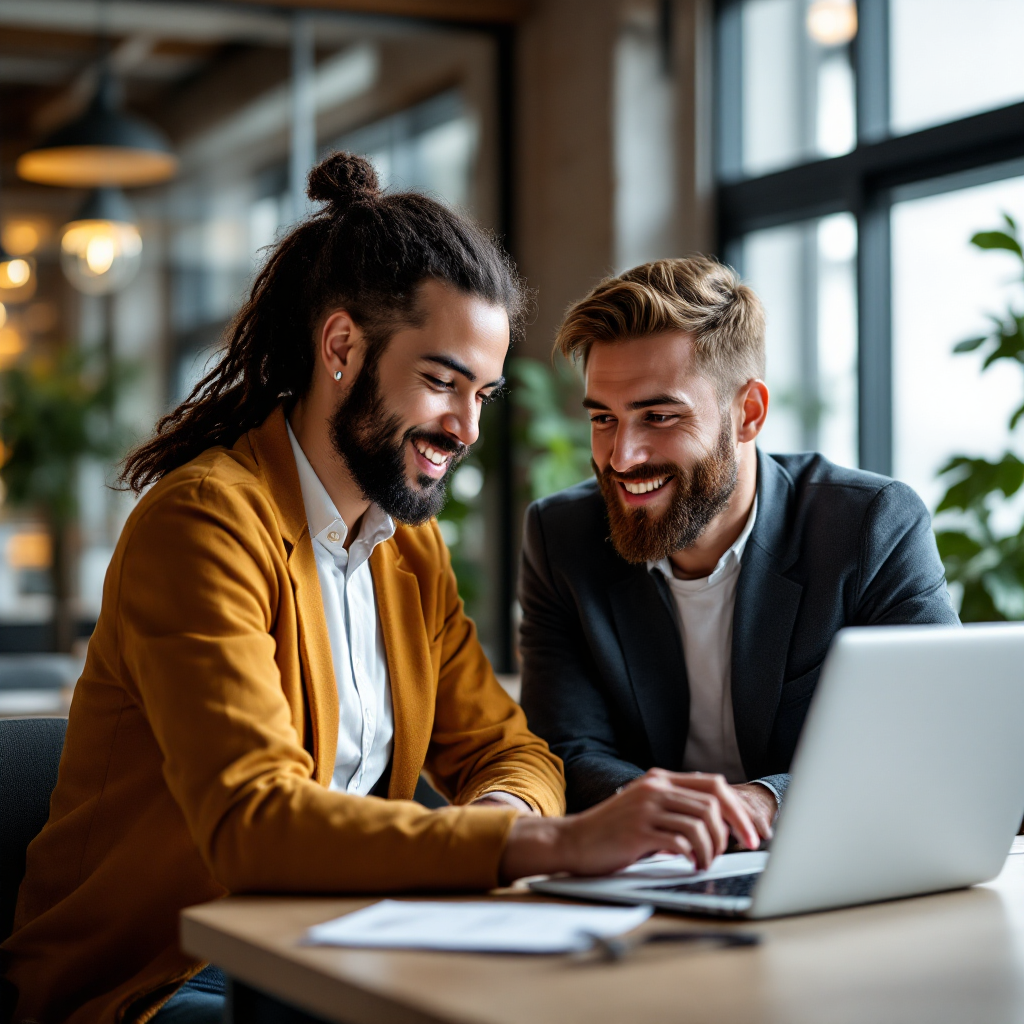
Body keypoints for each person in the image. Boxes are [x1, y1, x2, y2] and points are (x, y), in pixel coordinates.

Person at [2, 161, 762, 1024]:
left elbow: (508, 750)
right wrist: (550, 841)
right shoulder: (206, 524)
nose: (467, 430)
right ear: (341, 349)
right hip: (158, 981)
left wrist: (512, 813)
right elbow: (256, 823)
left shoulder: (407, 547)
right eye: (441, 382)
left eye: (482, 394)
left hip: (335, 949)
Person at [519, 256, 959, 830]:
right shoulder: (562, 537)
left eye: (659, 415)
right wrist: (682, 819)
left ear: (748, 413)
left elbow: (934, 736)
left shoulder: (869, 527)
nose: (621, 458)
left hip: (833, 863)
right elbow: (565, 752)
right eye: (603, 419)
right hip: (654, 874)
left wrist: (764, 804)